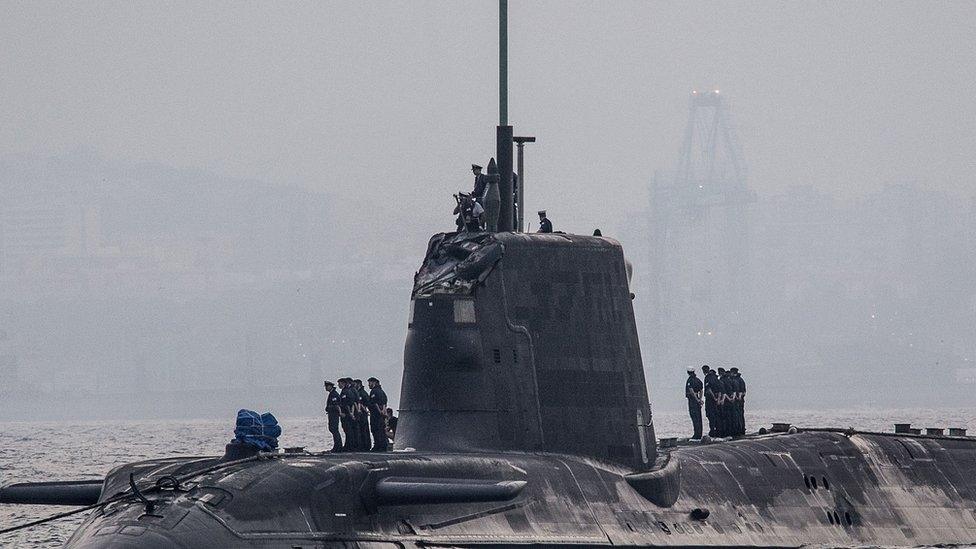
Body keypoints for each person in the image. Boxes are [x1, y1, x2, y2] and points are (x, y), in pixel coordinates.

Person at [367, 377, 388, 452]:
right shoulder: (382, 391)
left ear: (374, 383)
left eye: (370, 383)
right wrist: (383, 411)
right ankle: (383, 446)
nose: (369, 384)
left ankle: (378, 446)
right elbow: (384, 403)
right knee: (381, 430)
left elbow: (374, 403)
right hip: (382, 415)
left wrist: (380, 411)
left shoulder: (374, 391)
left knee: (375, 430)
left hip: (376, 415)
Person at [338, 378, 358, 451]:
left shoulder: (345, 392)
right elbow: (353, 403)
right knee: (349, 431)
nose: (338, 385)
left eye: (339, 383)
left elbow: (346, 404)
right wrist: (352, 413)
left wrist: (349, 413)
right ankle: (349, 446)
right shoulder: (350, 391)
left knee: (348, 430)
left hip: (346, 414)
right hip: (349, 413)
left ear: (343, 383)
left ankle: (349, 446)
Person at [685, 366, 704, 439]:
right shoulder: (698, 380)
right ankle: (699, 433)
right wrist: (700, 399)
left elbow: (691, 391)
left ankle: (696, 434)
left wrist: (696, 399)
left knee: (694, 417)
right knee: (699, 417)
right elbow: (701, 390)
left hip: (693, 400)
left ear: (688, 372)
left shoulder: (690, 380)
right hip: (697, 399)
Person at [324, 380, 343, 452]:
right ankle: (337, 446)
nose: (325, 388)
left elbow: (336, 405)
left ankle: (338, 446)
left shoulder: (334, 394)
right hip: (331, 414)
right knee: (332, 429)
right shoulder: (332, 394)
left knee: (334, 429)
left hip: (334, 414)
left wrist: (340, 413)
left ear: (330, 386)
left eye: (326, 386)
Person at [354, 379, 371, 451]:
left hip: (362, 415)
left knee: (363, 430)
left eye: (355, 384)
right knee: (363, 430)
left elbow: (364, 403)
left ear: (358, 384)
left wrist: (365, 410)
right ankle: (365, 445)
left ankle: (365, 446)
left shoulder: (361, 393)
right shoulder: (361, 392)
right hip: (362, 414)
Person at [702, 365, 719, 437]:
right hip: (716, 398)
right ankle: (716, 429)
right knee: (715, 414)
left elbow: (709, 389)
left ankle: (712, 430)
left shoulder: (708, 378)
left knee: (710, 414)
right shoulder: (715, 377)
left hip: (710, 399)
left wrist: (714, 398)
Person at [731, 367, 746, 436]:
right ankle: (741, 429)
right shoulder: (740, 380)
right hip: (739, 400)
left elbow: (742, 391)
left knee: (738, 415)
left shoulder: (738, 380)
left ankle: (739, 430)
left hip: (738, 401)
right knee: (740, 415)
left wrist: (738, 397)